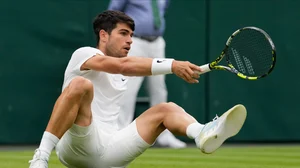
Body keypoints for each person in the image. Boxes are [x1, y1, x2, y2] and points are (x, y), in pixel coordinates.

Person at [28, 10, 247, 168]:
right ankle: (41, 156)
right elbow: (123, 66)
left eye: (132, 35)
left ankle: (200, 132)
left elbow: (128, 66)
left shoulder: (126, 68)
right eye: (123, 33)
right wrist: (173, 65)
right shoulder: (84, 54)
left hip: (110, 151)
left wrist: (176, 66)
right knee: (81, 85)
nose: (130, 40)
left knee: (165, 109)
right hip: (76, 145)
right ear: (103, 35)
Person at [108, 0, 187, 148]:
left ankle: (163, 134)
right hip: (134, 42)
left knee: (159, 90)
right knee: (128, 89)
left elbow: (161, 11)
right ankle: (120, 133)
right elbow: (112, 15)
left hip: (157, 42)